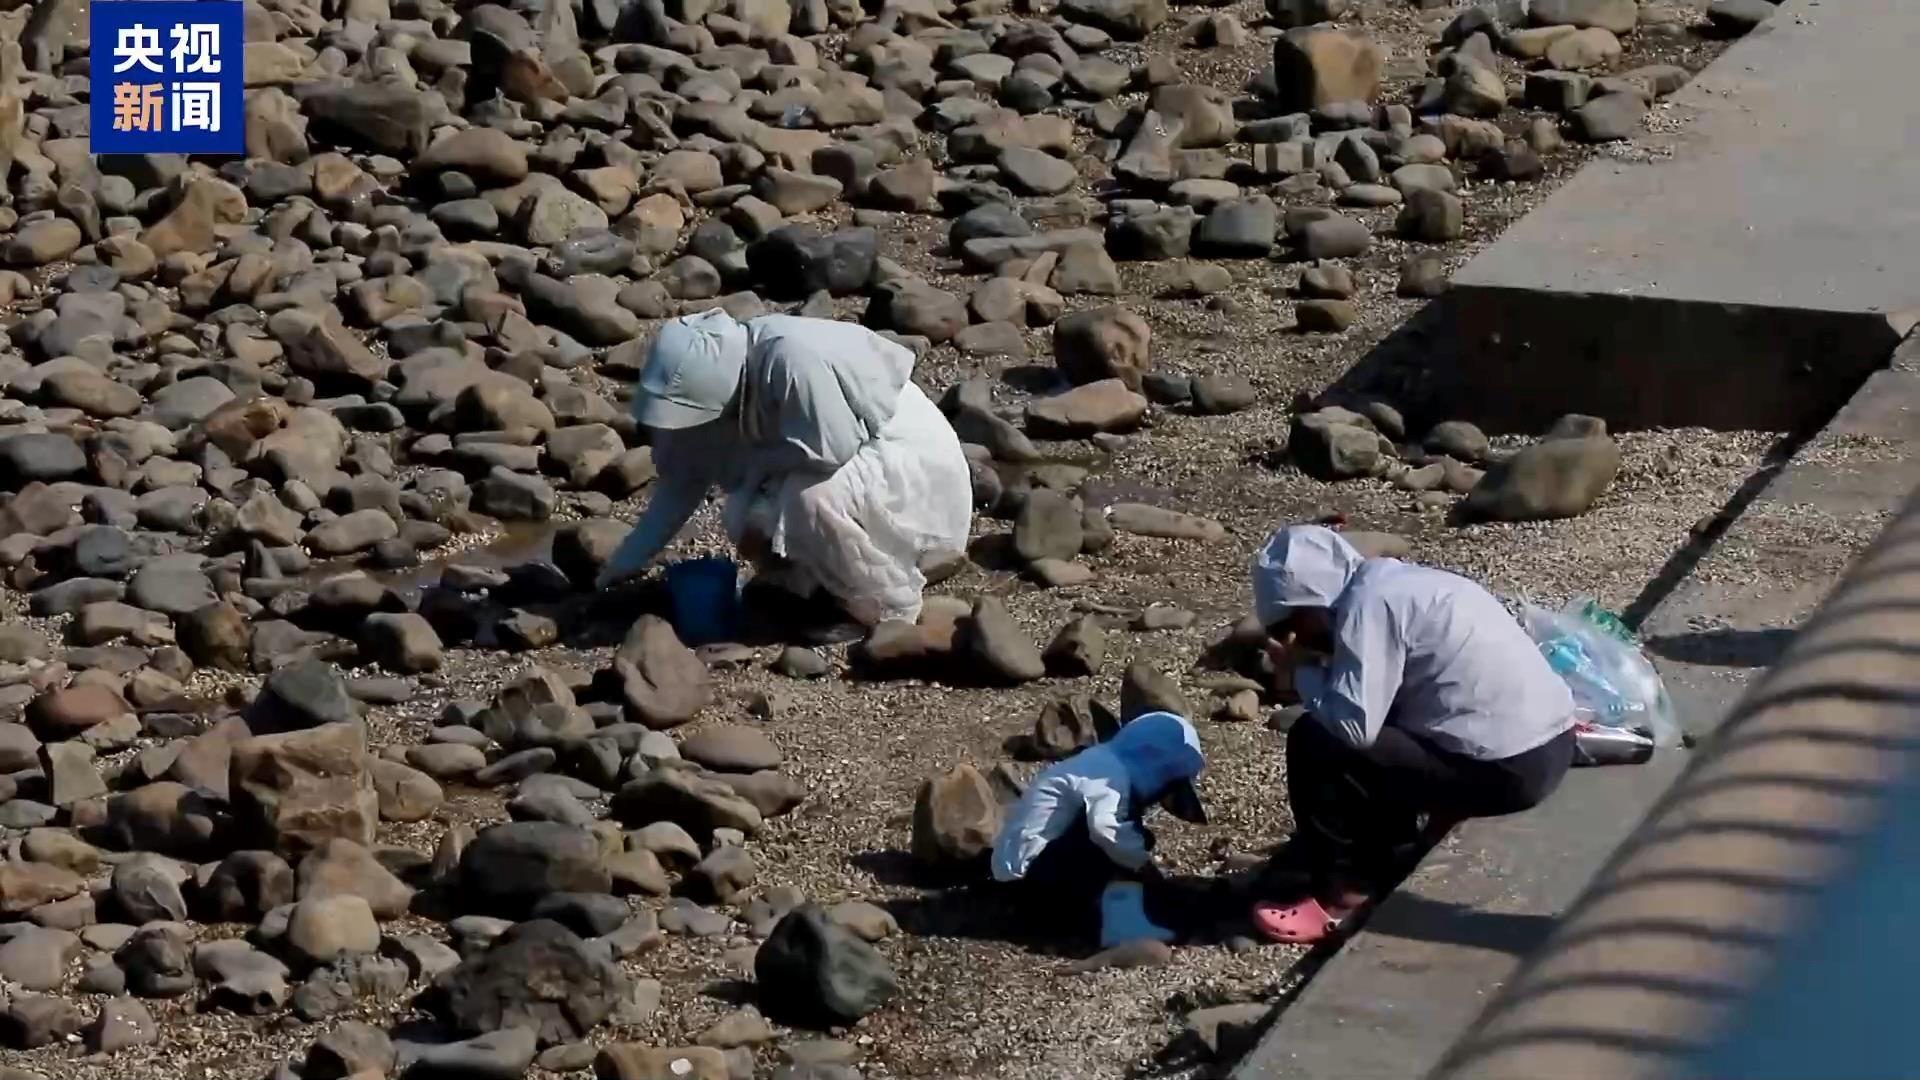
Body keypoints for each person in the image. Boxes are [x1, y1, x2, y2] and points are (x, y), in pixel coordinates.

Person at [1248, 525, 1577, 944]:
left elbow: (1354, 729)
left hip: (1512, 772)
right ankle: (1398, 847)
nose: (1293, 638)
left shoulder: (1367, 611)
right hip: (1554, 742)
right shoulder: (1401, 582)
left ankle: (1344, 895)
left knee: (1315, 740)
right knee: (1378, 721)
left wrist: (1302, 672)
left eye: (1290, 625)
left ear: (1310, 604)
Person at [594, 310, 973, 630]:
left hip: (904, 453)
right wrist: (625, 562)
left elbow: (830, 452)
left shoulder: (791, 360)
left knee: (808, 501)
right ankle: (811, 585)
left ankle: (886, 608)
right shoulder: (710, 394)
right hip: (829, 457)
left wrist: (760, 480)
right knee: (747, 513)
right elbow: (681, 481)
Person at [991, 711, 1208, 950]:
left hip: (1019, 879)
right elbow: (1106, 830)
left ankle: (1104, 913)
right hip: (1032, 881)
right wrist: (1143, 868)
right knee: (1122, 839)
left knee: (1133, 838)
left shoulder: (1096, 761)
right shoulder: (1108, 772)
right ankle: (1124, 926)